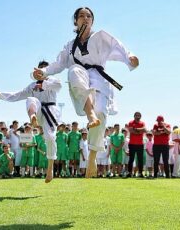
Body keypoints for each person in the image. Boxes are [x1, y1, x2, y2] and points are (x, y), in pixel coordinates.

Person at [32, 7, 139, 178]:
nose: (85, 18)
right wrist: (43, 73)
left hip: (99, 78)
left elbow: (119, 47)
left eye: (88, 16)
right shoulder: (69, 46)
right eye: (81, 16)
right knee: (74, 70)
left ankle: (92, 157)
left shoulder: (101, 37)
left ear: (92, 21)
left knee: (102, 112)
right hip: (80, 77)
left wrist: (130, 58)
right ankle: (90, 114)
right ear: (75, 21)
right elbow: (57, 64)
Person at [0, 61, 61, 183]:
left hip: (51, 111)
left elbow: (59, 86)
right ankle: (32, 117)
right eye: (40, 70)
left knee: (50, 138)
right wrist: (0, 95)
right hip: (38, 110)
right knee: (30, 99)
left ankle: (50, 168)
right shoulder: (32, 85)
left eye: (44, 69)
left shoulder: (53, 80)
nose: (42, 72)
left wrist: (44, 85)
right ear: (36, 71)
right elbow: (17, 95)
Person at [127, 112, 146, 177]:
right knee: (131, 159)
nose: (138, 116)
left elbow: (144, 130)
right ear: (134, 116)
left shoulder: (142, 123)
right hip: (132, 144)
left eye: (139, 115)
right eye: (136, 115)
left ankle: (140, 173)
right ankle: (129, 173)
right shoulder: (131, 122)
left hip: (140, 144)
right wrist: (139, 131)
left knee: (140, 159)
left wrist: (135, 129)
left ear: (140, 116)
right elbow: (131, 131)